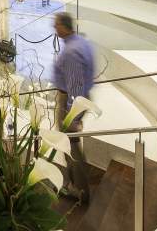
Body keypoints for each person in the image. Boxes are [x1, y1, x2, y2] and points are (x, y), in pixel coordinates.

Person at [53, 12, 94, 202]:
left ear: (64, 26)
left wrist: (73, 117)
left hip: (69, 104)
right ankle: (73, 182)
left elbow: (75, 87)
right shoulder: (81, 42)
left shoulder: (70, 52)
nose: (54, 28)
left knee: (70, 147)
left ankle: (79, 189)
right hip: (80, 100)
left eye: (56, 25)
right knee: (71, 145)